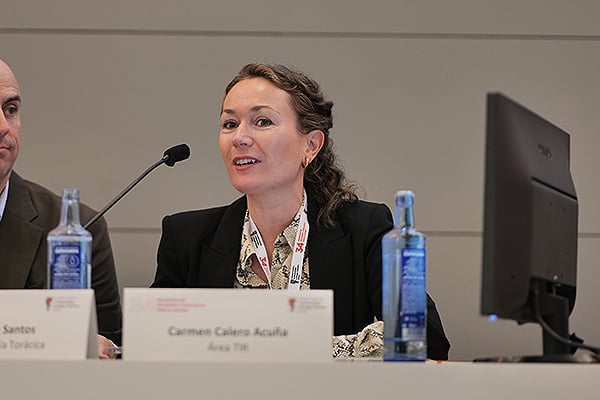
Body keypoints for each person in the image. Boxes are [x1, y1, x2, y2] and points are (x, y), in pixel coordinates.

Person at [151, 62, 450, 359]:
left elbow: (425, 336)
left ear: (311, 145)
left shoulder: (364, 229)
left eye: (263, 122)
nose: (239, 137)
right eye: (230, 124)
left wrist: (294, 350)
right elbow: (146, 339)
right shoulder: (187, 237)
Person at [0, 58, 121, 358]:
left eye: (10, 110)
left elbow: (113, 346)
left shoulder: (79, 227)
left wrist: (102, 346)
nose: (3, 126)